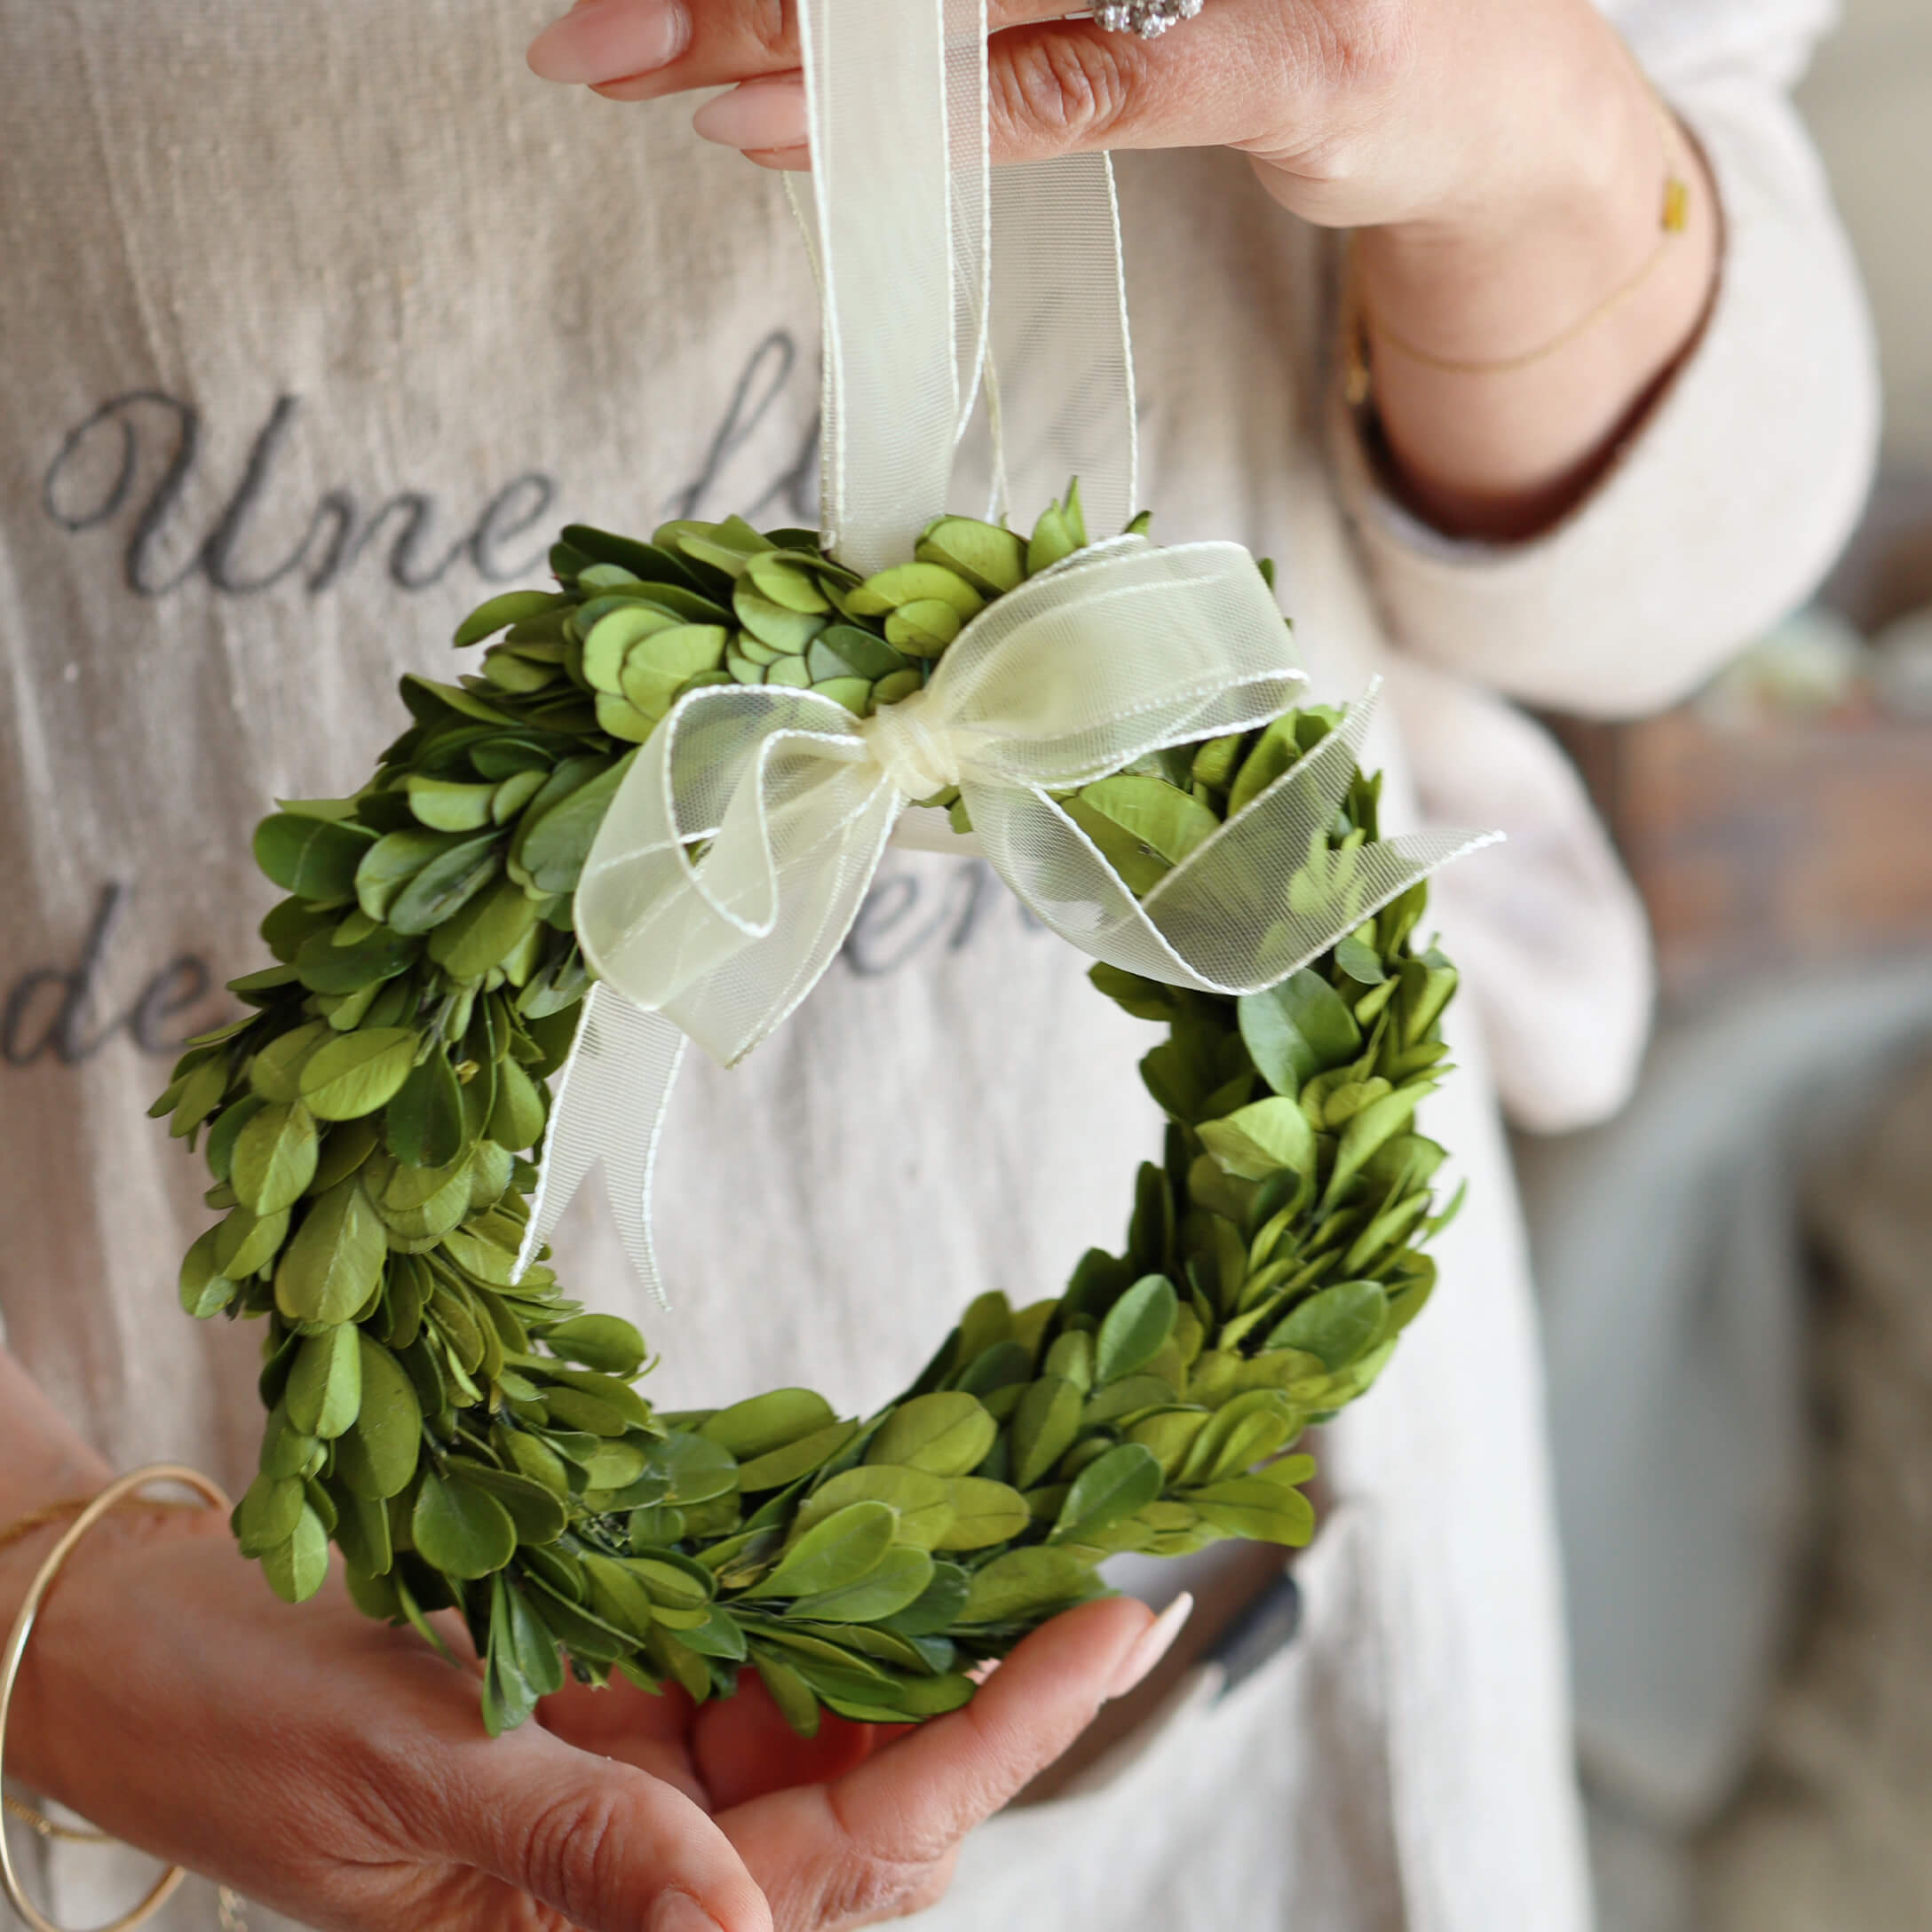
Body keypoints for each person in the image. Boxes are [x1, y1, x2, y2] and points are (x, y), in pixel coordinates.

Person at [0, 1, 1874, 1928]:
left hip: (1250, 1589)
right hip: (161, 1541)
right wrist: (44, 1600)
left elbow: (1675, 564)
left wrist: (1516, 120)